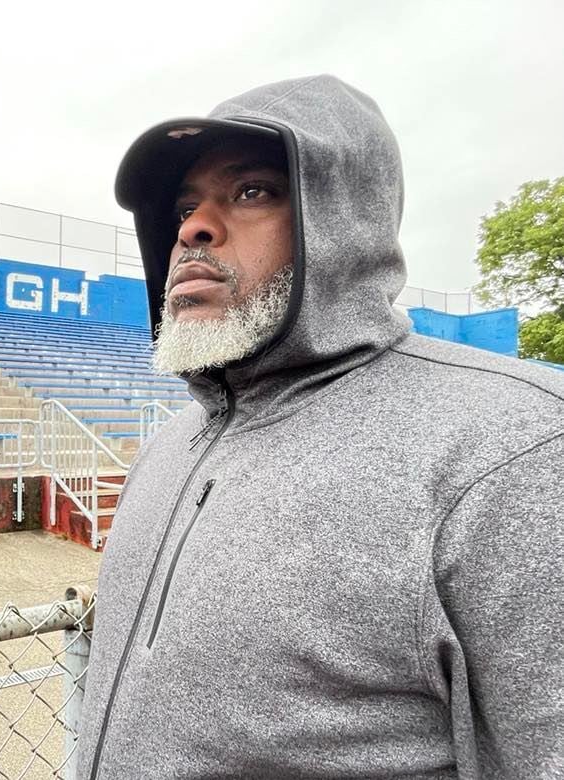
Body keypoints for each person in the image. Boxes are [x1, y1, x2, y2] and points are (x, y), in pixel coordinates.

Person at [76, 74, 564, 778]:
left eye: (252, 191)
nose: (192, 228)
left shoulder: (515, 448)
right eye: (185, 206)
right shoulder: (165, 448)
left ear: (343, 218)